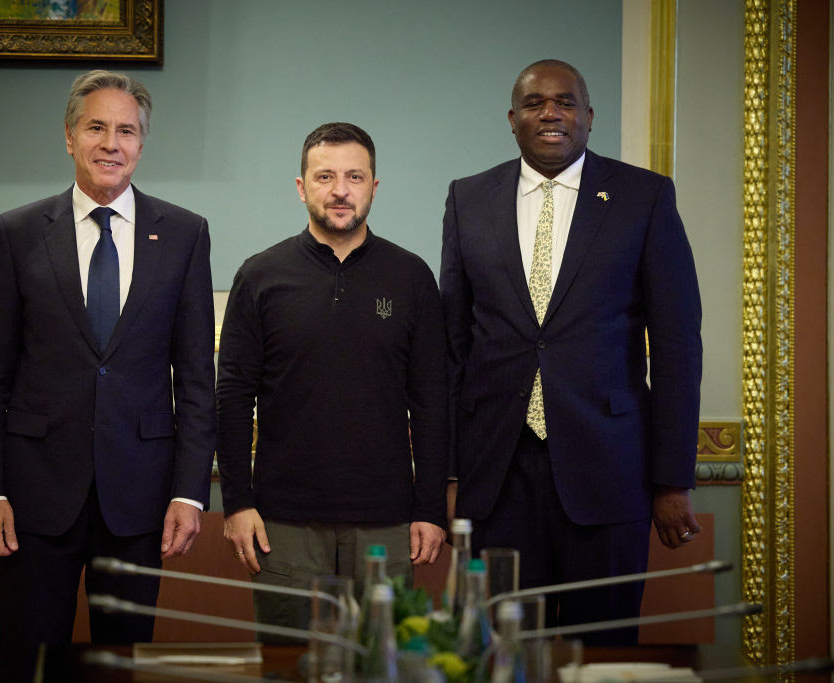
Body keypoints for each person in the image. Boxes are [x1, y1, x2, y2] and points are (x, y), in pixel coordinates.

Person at [440, 59, 703, 644]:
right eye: (535, 103)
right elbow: (452, 347)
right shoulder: (468, 199)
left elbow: (678, 344)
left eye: (565, 102)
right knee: (499, 653)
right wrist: (450, 469)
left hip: (610, 473)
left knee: (601, 653)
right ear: (513, 119)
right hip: (496, 478)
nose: (550, 113)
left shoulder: (644, 197)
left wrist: (672, 480)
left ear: (589, 116)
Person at [0, 70, 216, 681]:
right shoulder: (18, 231)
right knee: (29, 663)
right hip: (33, 496)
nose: (112, 143)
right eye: (96, 127)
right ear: (70, 138)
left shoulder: (184, 233)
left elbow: (197, 376)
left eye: (126, 130)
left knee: (121, 666)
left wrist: (188, 490)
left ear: (141, 143)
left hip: (140, 499)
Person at [217, 122, 448, 636]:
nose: (340, 190)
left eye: (354, 177)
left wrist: (432, 507)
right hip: (282, 523)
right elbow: (232, 397)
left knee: (382, 667)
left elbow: (432, 401)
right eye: (325, 176)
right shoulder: (260, 276)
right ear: (302, 187)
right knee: (287, 668)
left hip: (387, 522)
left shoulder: (411, 278)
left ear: (373, 187)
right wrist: (237, 502)